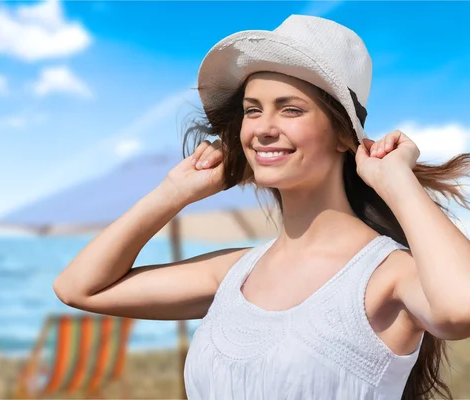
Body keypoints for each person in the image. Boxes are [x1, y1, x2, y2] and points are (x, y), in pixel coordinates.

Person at [53, 14, 470, 400]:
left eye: (290, 109)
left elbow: (461, 308)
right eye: (253, 111)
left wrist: (396, 181)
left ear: (345, 135)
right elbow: (78, 288)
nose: (264, 129)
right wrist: (172, 192)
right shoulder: (234, 274)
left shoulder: (387, 276)